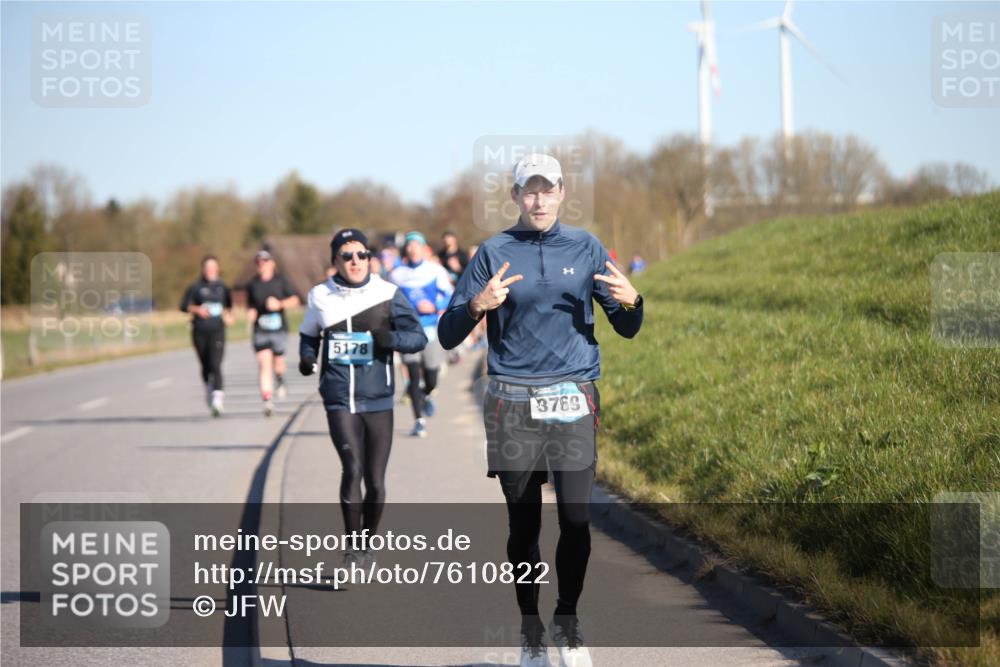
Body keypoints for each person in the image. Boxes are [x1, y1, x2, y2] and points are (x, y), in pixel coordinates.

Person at [438, 154, 644, 667]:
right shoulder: (494, 252)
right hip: (512, 400)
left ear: (561, 192)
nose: (539, 200)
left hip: (573, 396)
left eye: (547, 190)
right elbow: (446, 334)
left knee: (576, 518)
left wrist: (635, 302)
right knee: (523, 526)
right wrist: (477, 306)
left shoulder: (586, 247)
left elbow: (627, 327)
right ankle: (530, 628)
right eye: (529, 191)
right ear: (515, 197)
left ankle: (567, 622)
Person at [299, 228, 427, 565]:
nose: (355, 261)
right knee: (352, 468)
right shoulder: (320, 296)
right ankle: (352, 549)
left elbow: (418, 338)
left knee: (376, 480)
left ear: (369, 259)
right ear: (335, 260)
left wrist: (392, 339)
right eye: (346, 255)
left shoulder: (388, 293)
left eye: (361, 254)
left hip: (378, 399)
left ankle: (368, 543)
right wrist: (307, 358)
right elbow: (308, 335)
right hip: (339, 397)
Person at [389, 231, 454, 437]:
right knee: (413, 377)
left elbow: (450, 295)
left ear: (424, 249)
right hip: (408, 332)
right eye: (409, 245)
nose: (412, 248)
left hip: (431, 329)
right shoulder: (396, 274)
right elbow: (388, 301)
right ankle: (419, 420)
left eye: (416, 245)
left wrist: (434, 305)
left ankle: (426, 395)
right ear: (405, 249)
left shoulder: (436, 271)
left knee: (432, 375)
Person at [245, 249, 301, 416]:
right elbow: (250, 307)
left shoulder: (281, 281)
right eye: (258, 262)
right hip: (260, 330)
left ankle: (280, 378)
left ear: (272, 263)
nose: (261, 265)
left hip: (279, 330)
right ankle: (267, 400)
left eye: (265, 261)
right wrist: (251, 313)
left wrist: (279, 304)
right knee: (263, 364)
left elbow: (296, 300)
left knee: (278, 363)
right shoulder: (252, 284)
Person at [179, 255, 234, 416]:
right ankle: (208, 389)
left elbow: (230, 306)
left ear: (217, 269)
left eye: (213, 267)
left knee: (216, 364)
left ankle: (217, 400)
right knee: (205, 366)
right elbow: (183, 306)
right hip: (199, 331)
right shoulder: (195, 287)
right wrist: (197, 310)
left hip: (218, 331)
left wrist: (230, 316)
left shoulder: (223, 287)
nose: (210, 270)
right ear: (203, 269)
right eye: (207, 267)